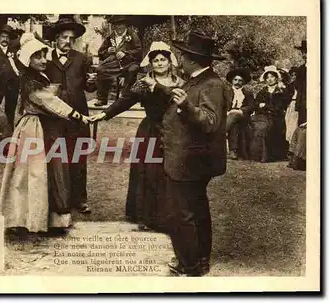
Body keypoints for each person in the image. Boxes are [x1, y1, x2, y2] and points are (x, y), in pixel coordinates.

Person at [0, 34, 90, 234]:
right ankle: (25, 217)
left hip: (46, 126)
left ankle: (49, 218)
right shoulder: (29, 82)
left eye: (43, 55)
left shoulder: (39, 77)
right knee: (32, 173)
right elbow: (48, 101)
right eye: (37, 57)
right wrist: (78, 115)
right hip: (34, 128)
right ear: (27, 60)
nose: (43, 60)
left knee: (49, 171)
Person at [89, 41, 184, 232]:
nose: (159, 63)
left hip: (172, 132)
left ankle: (166, 216)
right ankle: (146, 216)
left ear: (169, 62)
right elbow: (126, 100)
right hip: (149, 131)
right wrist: (105, 114)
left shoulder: (180, 82)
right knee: (147, 171)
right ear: (150, 63)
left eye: (162, 60)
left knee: (169, 171)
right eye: (155, 60)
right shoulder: (143, 83)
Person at [163, 31, 231, 276]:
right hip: (190, 159)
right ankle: (199, 260)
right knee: (197, 209)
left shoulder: (210, 84)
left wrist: (186, 106)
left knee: (182, 213)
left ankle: (189, 264)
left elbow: (211, 121)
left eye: (182, 55)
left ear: (192, 59)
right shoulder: (197, 80)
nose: (179, 59)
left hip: (189, 161)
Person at [45, 15, 97, 214]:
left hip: (78, 116)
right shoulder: (47, 59)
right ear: (56, 38)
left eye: (71, 38)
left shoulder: (81, 59)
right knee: (57, 157)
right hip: (55, 117)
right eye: (64, 37)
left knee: (78, 157)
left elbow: (88, 86)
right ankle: (59, 198)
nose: (68, 42)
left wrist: (92, 81)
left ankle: (80, 199)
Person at [94, 15, 142, 106]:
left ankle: (125, 97)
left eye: (121, 24)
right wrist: (108, 51)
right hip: (115, 64)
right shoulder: (110, 37)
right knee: (101, 69)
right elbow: (100, 52)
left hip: (130, 62)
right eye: (116, 25)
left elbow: (139, 51)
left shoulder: (132, 35)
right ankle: (102, 98)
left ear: (125, 25)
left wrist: (126, 53)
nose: (118, 27)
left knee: (133, 70)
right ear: (113, 26)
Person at [248, 65, 292, 163]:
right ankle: (257, 154)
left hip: (277, 117)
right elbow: (256, 104)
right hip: (263, 116)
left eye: (272, 77)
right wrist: (261, 107)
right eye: (267, 77)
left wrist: (265, 106)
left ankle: (267, 155)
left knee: (268, 127)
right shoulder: (262, 91)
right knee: (257, 126)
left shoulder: (282, 91)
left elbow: (280, 107)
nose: (270, 79)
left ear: (276, 78)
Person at [225, 68, 254, 160]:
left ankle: (221, 132)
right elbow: (221, 104)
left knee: (234, 115)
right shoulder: (226, 92)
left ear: (243, 82)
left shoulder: (248, 93)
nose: (237, 82)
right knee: (234, 124)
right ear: (232, 81)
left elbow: (251, 107)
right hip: (228, 115)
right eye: (235, 80)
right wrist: (227, 112)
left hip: (242, 115)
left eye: (240, 80)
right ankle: (233, 150)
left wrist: (240, 111)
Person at [293, 40, 307, 126]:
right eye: (303, 52)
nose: (304, 55)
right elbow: (297, 86)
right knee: (302, 127)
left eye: (306, 52)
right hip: (302, 104)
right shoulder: (301, 69)